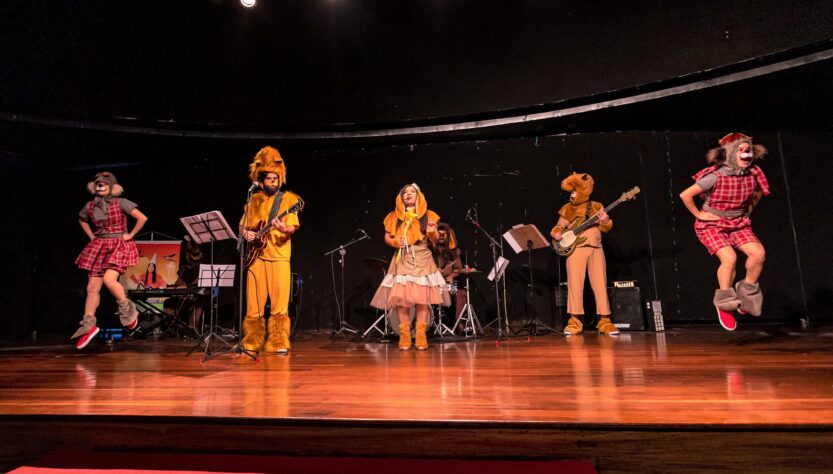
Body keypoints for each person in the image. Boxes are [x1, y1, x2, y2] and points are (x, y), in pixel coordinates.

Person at [679, 132, 769, 331]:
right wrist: (699, 214)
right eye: (741, 151)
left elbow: (759, 192)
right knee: (729, 259)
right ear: (729, 154)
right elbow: (685, 195)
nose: (746, 155)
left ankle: (746, 293)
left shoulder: (754, 174)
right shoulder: (715, 176)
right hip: (712, 224)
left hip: (738, 223)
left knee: (758, 254)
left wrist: (747, 211)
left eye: (748, 151)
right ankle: (725, 304)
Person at [370, 184, 450, 350]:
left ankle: (421, 336)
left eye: (411, 192)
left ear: (418, 196)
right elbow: (387, 236)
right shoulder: (394, 216)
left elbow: (435, 240)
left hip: (423, 258)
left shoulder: (429, 215)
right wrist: (394, 242)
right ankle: (405, 336)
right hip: (404, 258)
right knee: (402, 301)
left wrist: (431, 233)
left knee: (422, 301)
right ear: (401, 197)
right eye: (405, 192)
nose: (408, 194)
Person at [73, 171, 147, 349]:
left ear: (112, 187)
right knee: (92, 287)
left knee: (108, 279)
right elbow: (82, 220)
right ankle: (89, 326)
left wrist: (131, 235)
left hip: (118, 244)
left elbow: (142, 218)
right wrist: (91, 235)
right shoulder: (90, 206)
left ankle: (128, 311)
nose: (101, 186)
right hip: (99, 245)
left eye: (105, 184)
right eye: (98, 184)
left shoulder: (121, 202)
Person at [239, 146, 301, 355]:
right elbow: (243, 225)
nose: (273, 182)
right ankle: (252, 339)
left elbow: (292, 227)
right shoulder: (253, 199)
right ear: (262, 180)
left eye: (276, 178)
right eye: (269, 179)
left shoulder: (289, 201)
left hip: (280, 257)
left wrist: (284, 229)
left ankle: (278, 341)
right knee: (253, 303)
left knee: (279, 304)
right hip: (256, 258)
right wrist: (245, 233)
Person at [550, 172, 618, 336]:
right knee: (575, 285)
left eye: (574, 192)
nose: (571, 195)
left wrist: (606, 220)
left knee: (600, 284)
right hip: (575, 250)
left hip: (596, 248)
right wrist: (557, 233)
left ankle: (605, 321)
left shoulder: (596, 206)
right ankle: (574, 321)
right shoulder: (567, 209)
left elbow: (605, 228)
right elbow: (558, 227)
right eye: (571, 192)